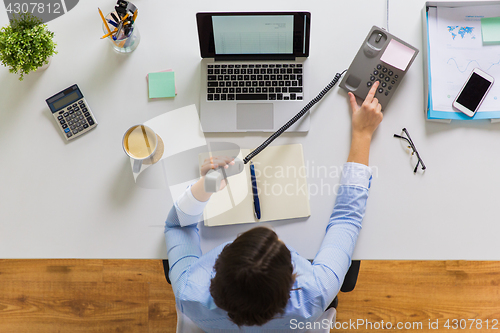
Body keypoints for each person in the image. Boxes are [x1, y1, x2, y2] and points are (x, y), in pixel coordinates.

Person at [164, 81, 383, 332]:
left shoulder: (188, 292)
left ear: (217, 267)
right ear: (293, 281)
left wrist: (205, 185)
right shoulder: (316, 293)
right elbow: (347, 218)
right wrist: (363, 134)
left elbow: (177, 226)